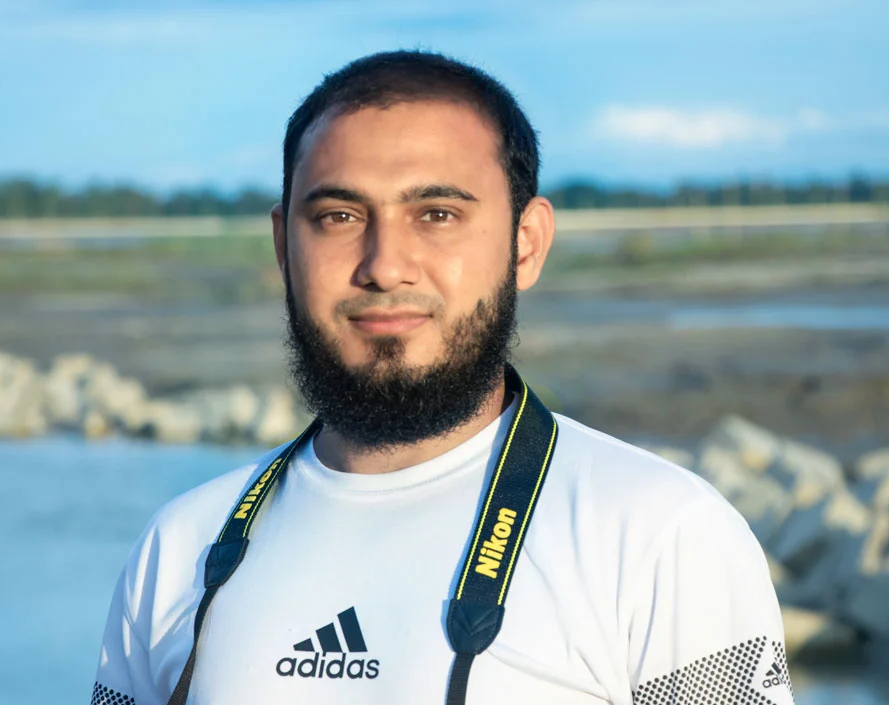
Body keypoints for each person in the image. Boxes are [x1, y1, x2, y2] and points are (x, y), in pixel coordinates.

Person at [89, 50, 793, 705]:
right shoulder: (180, 547)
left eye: (437, 214)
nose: (385, 265)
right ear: (283, 245)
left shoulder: (661, 535)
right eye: (339, 216)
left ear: (526, 244)